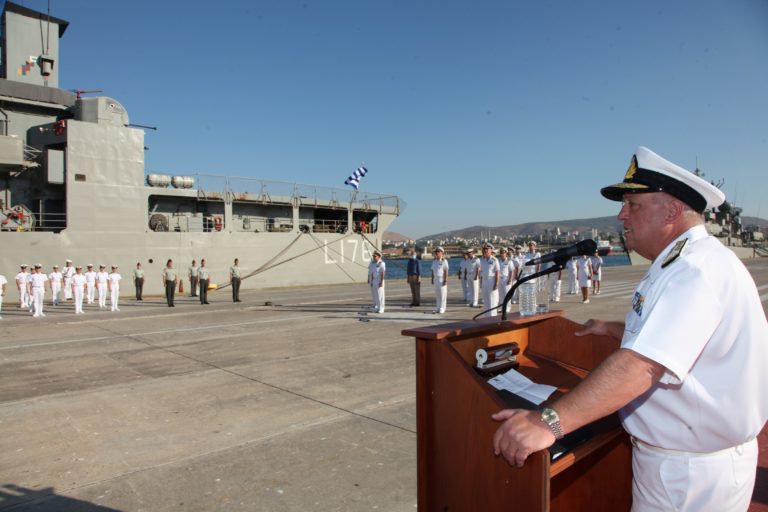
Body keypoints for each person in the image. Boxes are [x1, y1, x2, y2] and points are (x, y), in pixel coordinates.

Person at [492, 146, 768, 512]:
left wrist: (548, 424)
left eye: (632, 205)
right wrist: (614, 328)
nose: (621, 215)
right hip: (684, 463)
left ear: (671, 210)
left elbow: (644, 365)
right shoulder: (687, 262)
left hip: (687, 476)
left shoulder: (694, 270)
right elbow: (682, 338)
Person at [478, 243, 500, 317]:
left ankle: (493, 316)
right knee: (486, 299)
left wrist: (496, 284)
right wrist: (481, 283)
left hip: (491, 280)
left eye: (487, 249)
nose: (485, 251)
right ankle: (486, 316)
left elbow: (497, 272)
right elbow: (481, 272)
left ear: (491, 250)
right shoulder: (482, 260)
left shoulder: (494, 260)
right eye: (484, 249)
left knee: (492, 299)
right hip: (484, 281)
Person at [430, 247, 449, 314]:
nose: (437, 253)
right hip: (436, 279)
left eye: (438, 252)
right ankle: (438, 307)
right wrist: (432, 279)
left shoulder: (444, 261)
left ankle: (442, 308)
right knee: (437, 294)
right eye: (436, 252)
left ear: (442, 253)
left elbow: (446, 271)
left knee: (443, 294)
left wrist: (445, 280)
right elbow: (433, 271)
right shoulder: (434, 261)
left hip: (441, 279)